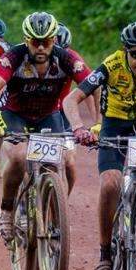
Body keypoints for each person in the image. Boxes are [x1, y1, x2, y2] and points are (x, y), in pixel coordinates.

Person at [63, 20, 136, 270]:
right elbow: (71, 100)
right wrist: (78, 127)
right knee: (111, 183)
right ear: (125, 50)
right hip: (114, 124)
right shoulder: (111, 65)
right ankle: (105, 256)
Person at [0, 11, 91, 242]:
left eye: (46, 42)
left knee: (64, 161)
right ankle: (7, 210)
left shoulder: (67, 58)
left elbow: (92, 85)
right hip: (15, 115)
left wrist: (98, 123)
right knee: (19, 157)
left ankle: (54, 207)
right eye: (35, 42)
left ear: (54, 40)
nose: (40, 47)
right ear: (26, 39)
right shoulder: (14, 57)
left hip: (48, 115)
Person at [54, 22, 98, 193]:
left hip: (62, 113)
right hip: (34, 111)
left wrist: (96, 123)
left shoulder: (71, 59)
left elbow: (90, 87)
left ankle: (62, 201)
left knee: (69, 161)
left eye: (62, 51)